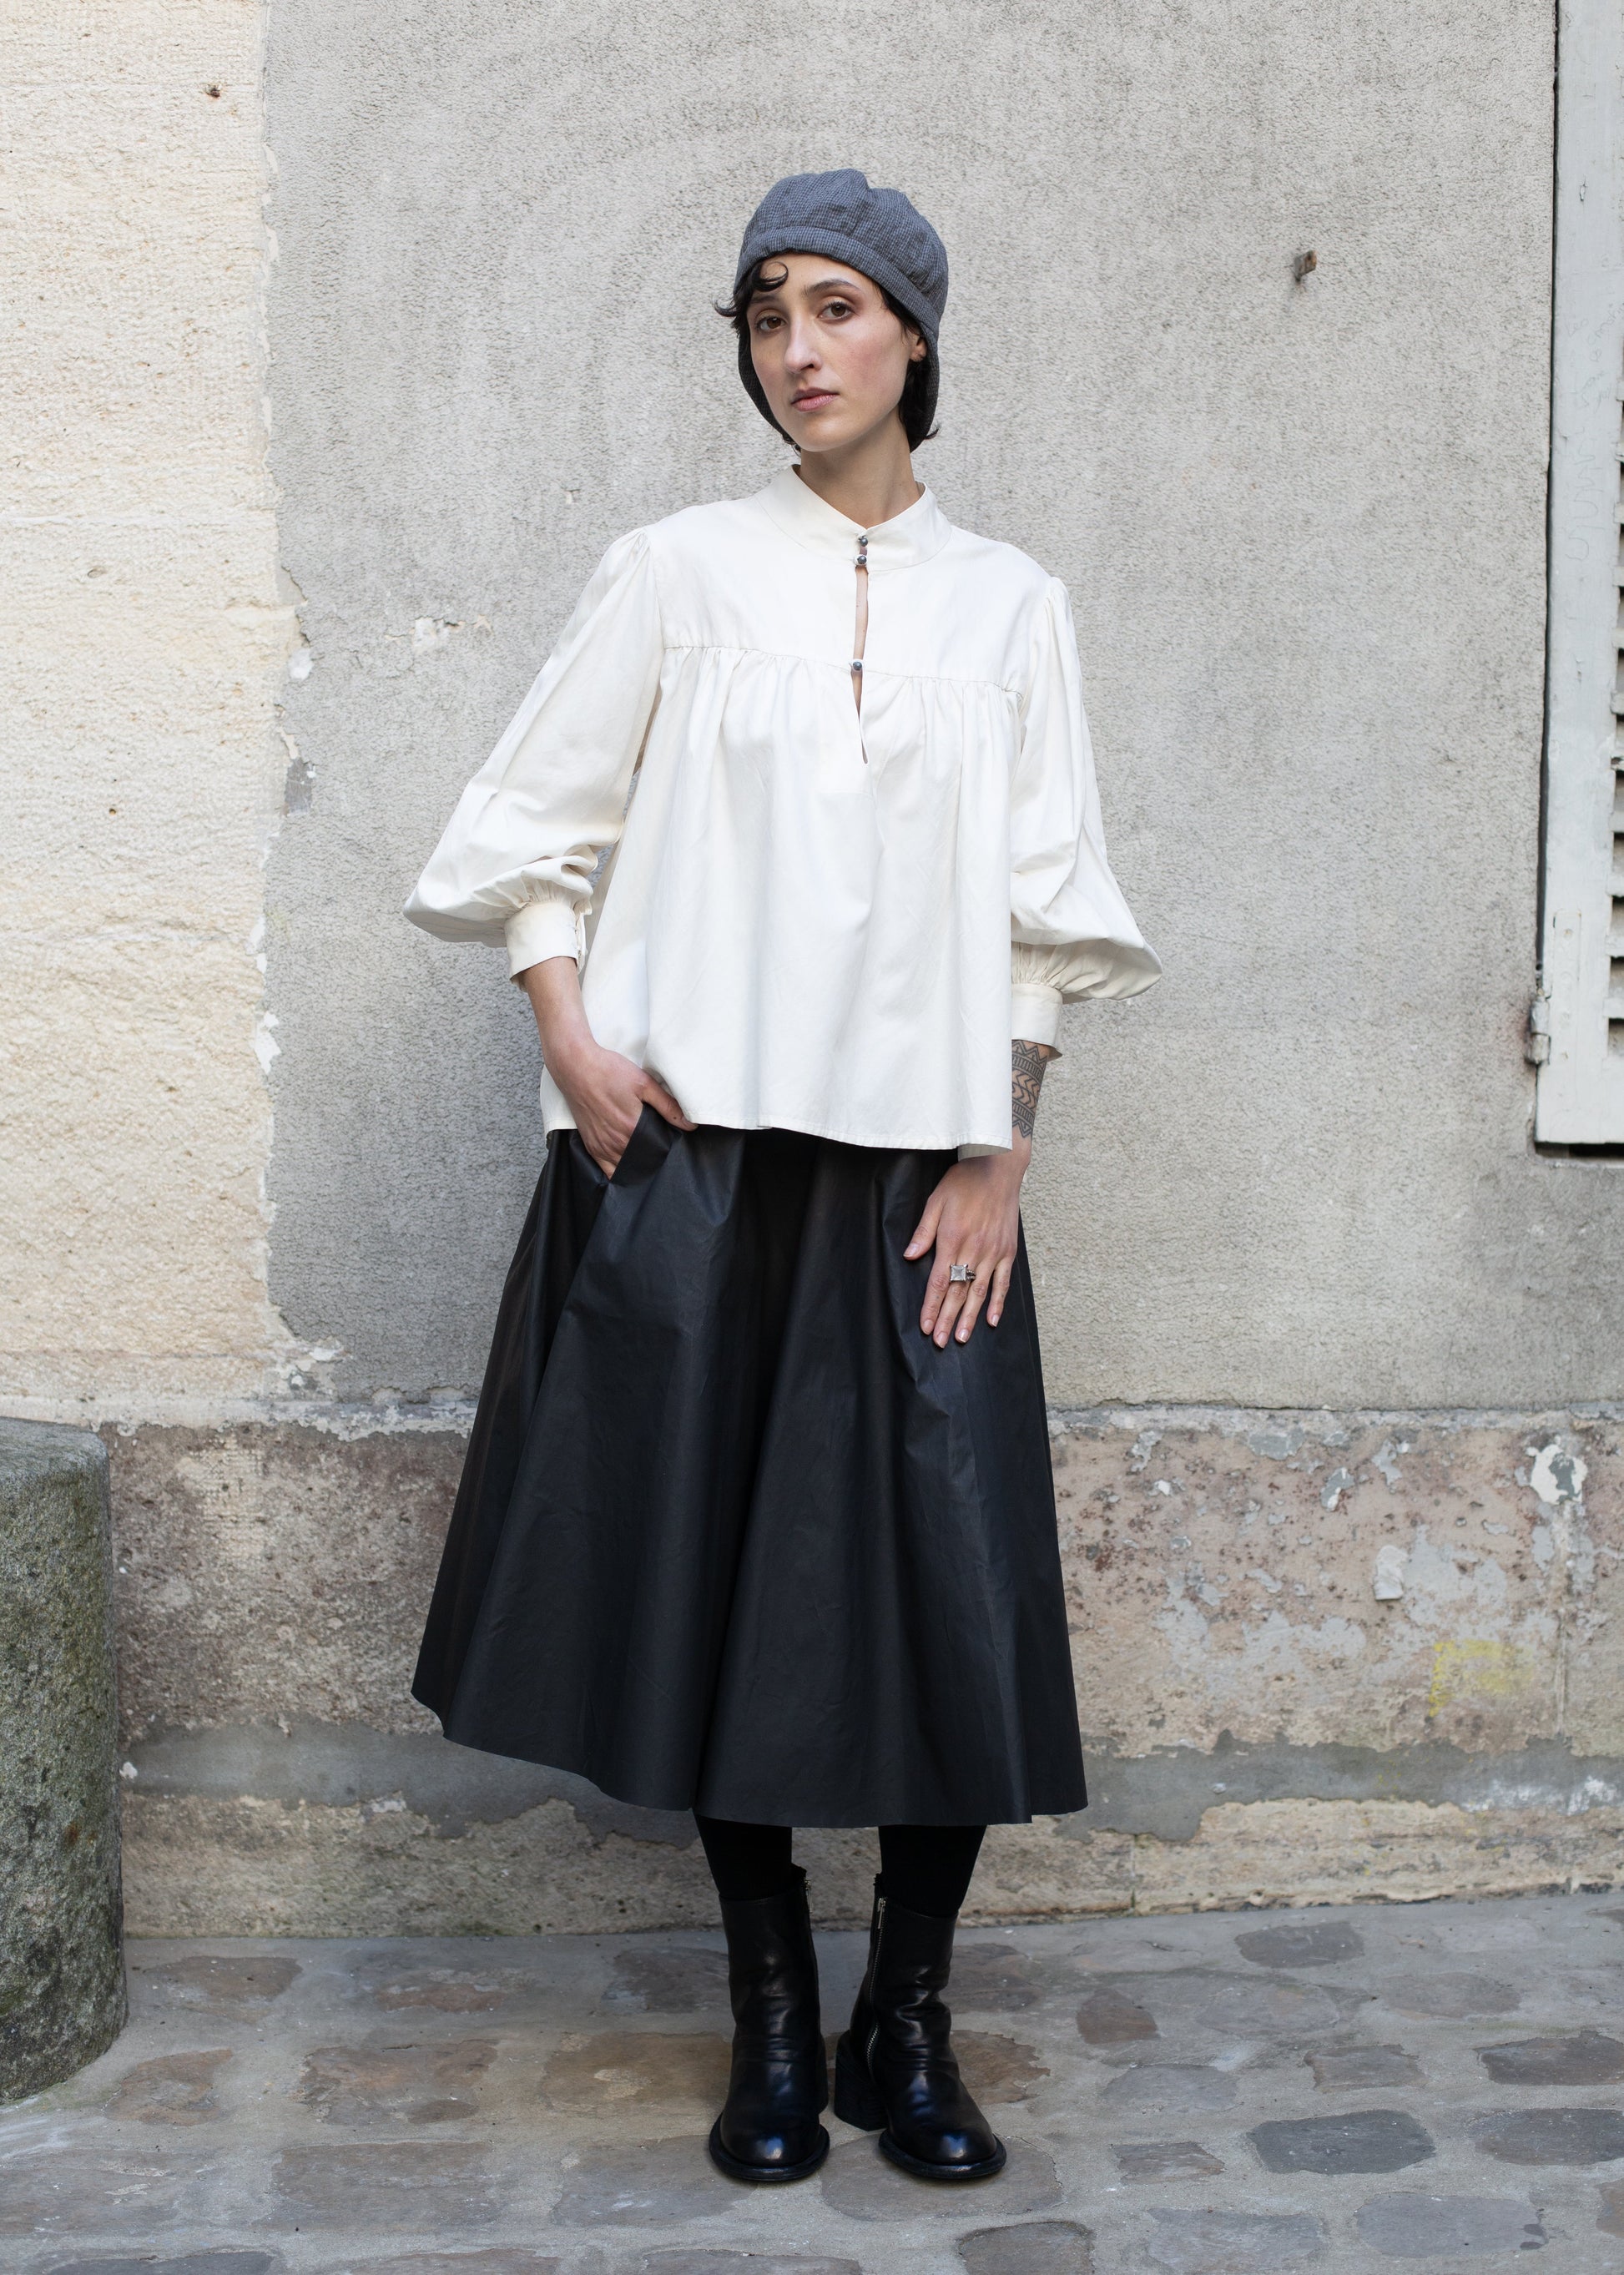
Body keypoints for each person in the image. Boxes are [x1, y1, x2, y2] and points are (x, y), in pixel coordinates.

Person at [404, 167, 1159, 2187]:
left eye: (836, 308)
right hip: (698, 1167)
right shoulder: (675, 572)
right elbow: (529, 832)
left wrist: (1003, 1142)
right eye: (765, 317)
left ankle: (904, 2017)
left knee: (945, 1589)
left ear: (914, 332)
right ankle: (766, 2015)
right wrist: (571, 1040)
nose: (798, 351)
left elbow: (1039, 907)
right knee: (707, 1576)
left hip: (923, 1170)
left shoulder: (1010, 605)